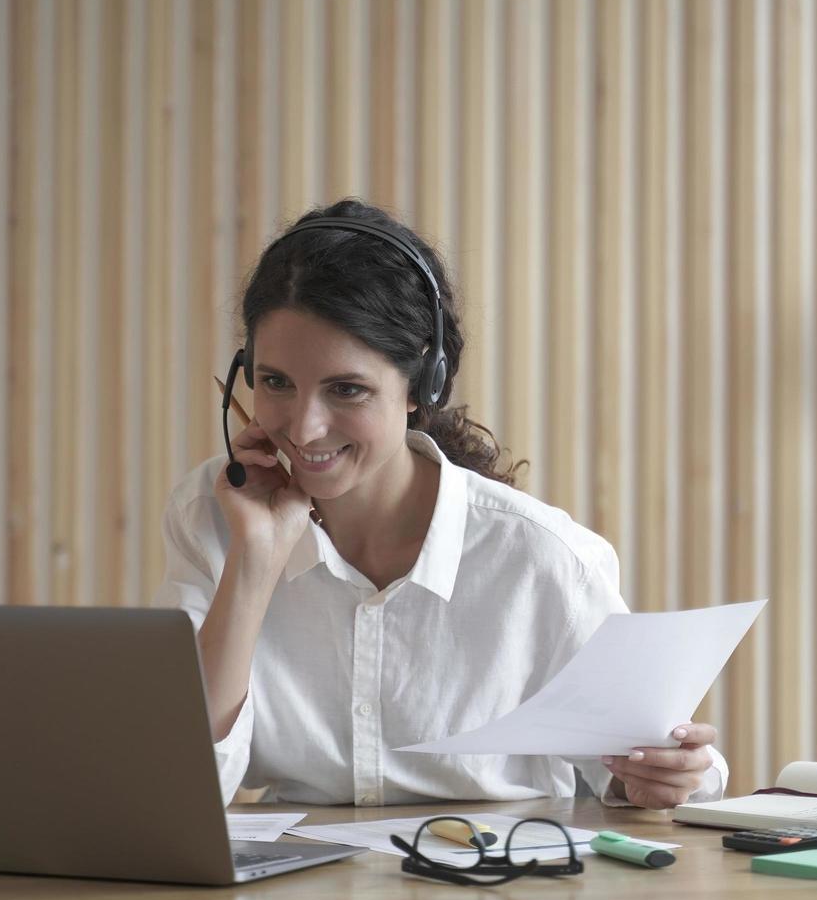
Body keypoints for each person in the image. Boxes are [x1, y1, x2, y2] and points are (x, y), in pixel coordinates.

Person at [153, 198, 728, 809]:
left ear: (421, 387)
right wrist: (253, 563)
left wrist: (665, 775)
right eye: (276, 383)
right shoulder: (210, 513)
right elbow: (178, 788)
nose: (305, 427)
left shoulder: (540, 557)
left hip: (500, 890)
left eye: (346, 389)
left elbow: (657, 769)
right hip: (292, 896)